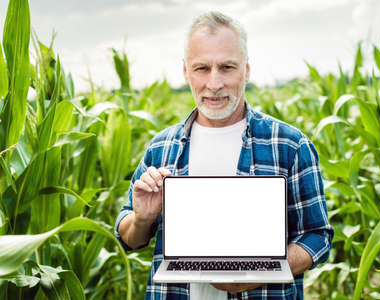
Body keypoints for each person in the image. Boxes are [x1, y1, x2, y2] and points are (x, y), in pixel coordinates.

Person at [115, 11, 333, 300]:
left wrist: (258, 273)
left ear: (246, 70)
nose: (214, 83)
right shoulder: (161, 147)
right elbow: (129, 238)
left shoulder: (290, 145)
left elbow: (317, 236)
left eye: (227, 67)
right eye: (202, 68)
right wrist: (142, 219)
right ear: (185, 72)